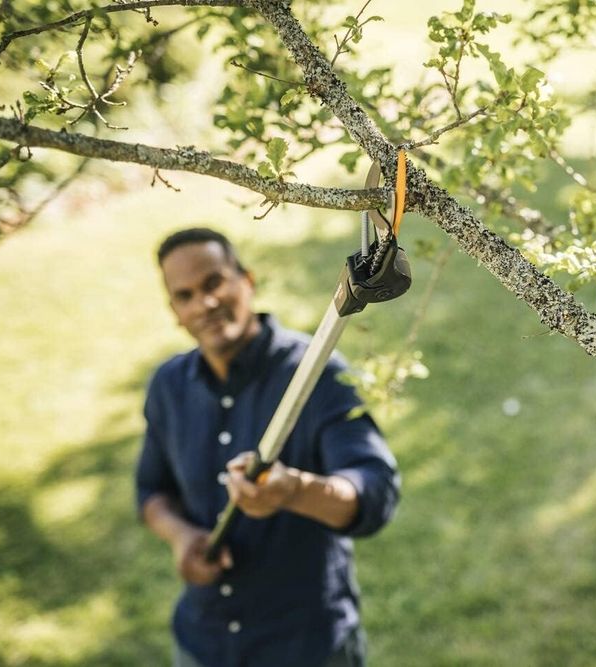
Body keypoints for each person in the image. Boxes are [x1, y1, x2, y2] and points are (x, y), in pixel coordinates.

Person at [135, 227, 400, 667]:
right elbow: (150, 492)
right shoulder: (168, 386)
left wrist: (293, 491)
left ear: (247, 280)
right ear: (174, 312)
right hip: (203, 645)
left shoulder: (316, 372)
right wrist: (181, 538)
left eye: (214, 282)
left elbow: (375, 493)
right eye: (185, 296)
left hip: (306, 648)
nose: (204, 304)